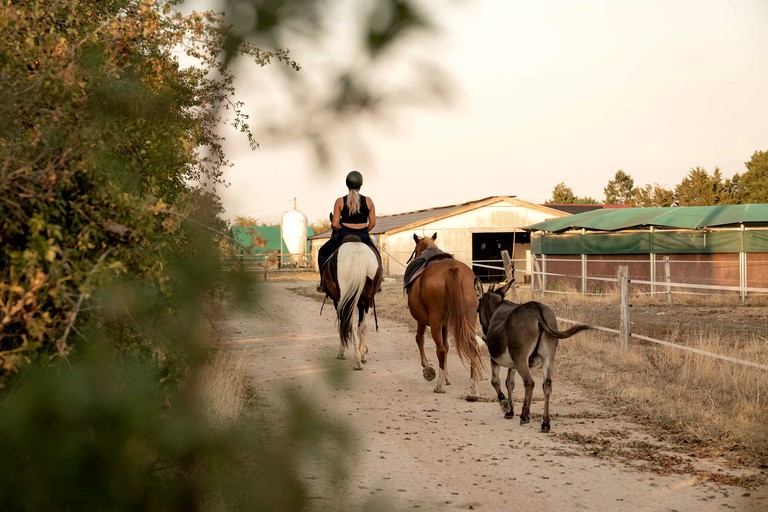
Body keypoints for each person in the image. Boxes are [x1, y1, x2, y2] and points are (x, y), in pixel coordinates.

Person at [317, 170, 380, 292]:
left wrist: (342, 229)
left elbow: (335, 224)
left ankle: (322, 283)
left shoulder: (340, 201)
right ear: (360, 185)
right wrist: (363, 230)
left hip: (344, 235)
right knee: (377, 256)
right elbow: (372, 223)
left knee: (322, 253)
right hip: (363, 236)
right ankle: (377, 283)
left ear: (347, 185)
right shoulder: (368, 201)